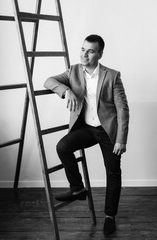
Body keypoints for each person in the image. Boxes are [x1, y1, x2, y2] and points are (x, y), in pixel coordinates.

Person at [44, 34, 129, 235]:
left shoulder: (112, 76)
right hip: (86, 129)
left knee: (113, 172)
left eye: (90, 51)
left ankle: (110, 216)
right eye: (83, 49)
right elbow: (49, 81)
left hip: (107, 132)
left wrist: (121, 140)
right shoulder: (74, 71)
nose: (85, 54)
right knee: (62, 147)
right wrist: (66, 91)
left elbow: (123, 110)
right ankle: (77, 188)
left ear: (99, 54)